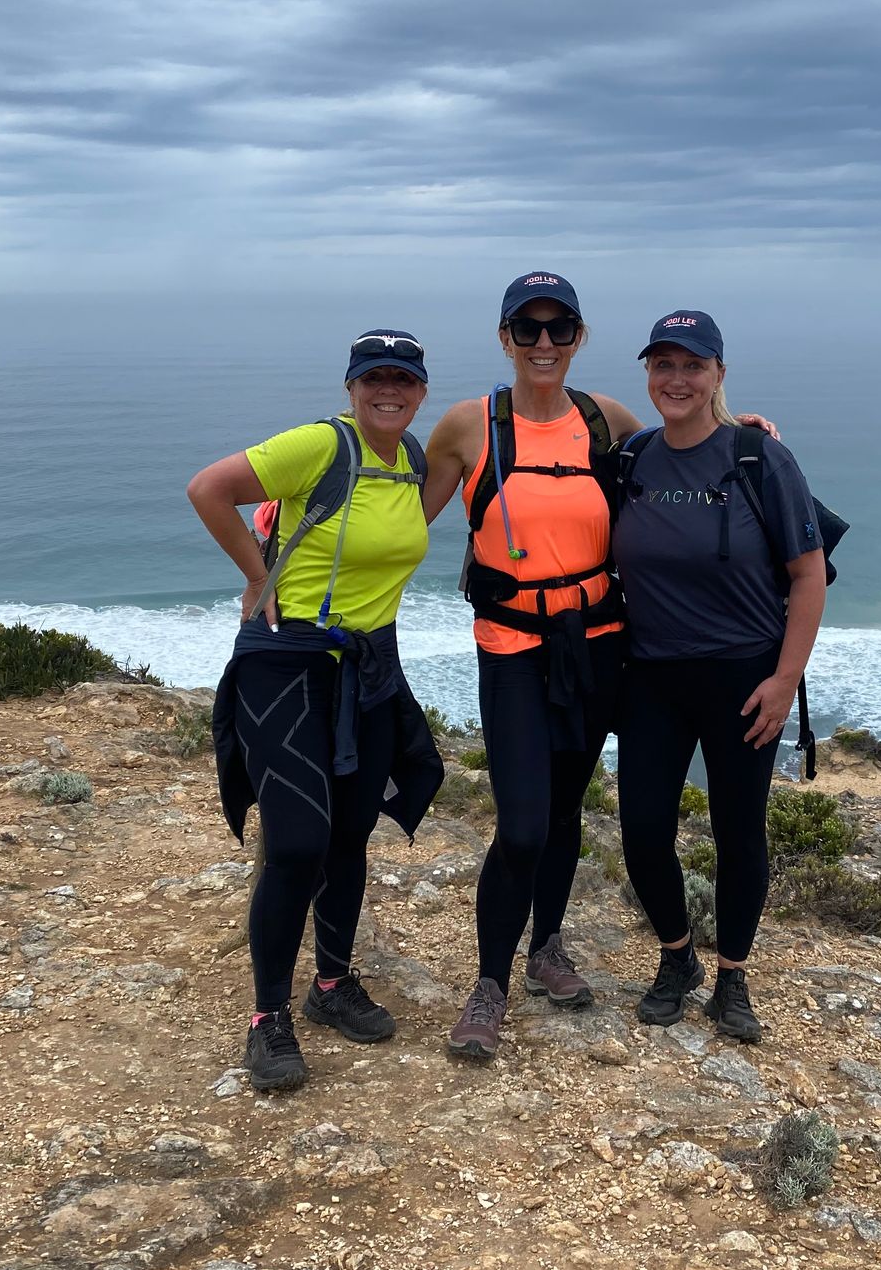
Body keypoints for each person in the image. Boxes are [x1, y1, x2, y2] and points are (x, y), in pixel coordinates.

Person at [422, 275, 777, 1060]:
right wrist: (292, 541)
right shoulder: (467, 427)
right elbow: (402, 520)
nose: (543, 343)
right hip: (512, 646)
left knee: (564, 815)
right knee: (520, 826)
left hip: (598, 645)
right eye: (527, 328)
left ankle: (546, 943)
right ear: (505, 337)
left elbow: (686, 447)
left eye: (559, 328)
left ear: (579, 337)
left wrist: (745, 427)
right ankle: (489, 985)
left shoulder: (605, 421)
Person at [189, 332, 445, 1092]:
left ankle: (330, 985)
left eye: (403, 379)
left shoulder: (414, 463)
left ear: (421, 390)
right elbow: (209, 488)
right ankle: (268, 1020)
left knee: (349, 836)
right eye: (375, 378)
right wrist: (257, 574)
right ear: (351, 386)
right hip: (287, 661)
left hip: (366, 669)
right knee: (298, 843)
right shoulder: (318, 445)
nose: (388, 391)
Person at [610, 311, 826, 1044]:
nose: (676, 379)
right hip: (651, 676)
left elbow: (808, 574)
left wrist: (785, 678)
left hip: (744, 675)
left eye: (692, 366)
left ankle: (732, 975)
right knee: (641, 828)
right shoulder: (632, 457)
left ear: (718, 376)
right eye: (662, 365)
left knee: (739, 832)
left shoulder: (759, 459)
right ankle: (678, 959)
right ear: (648, 374)